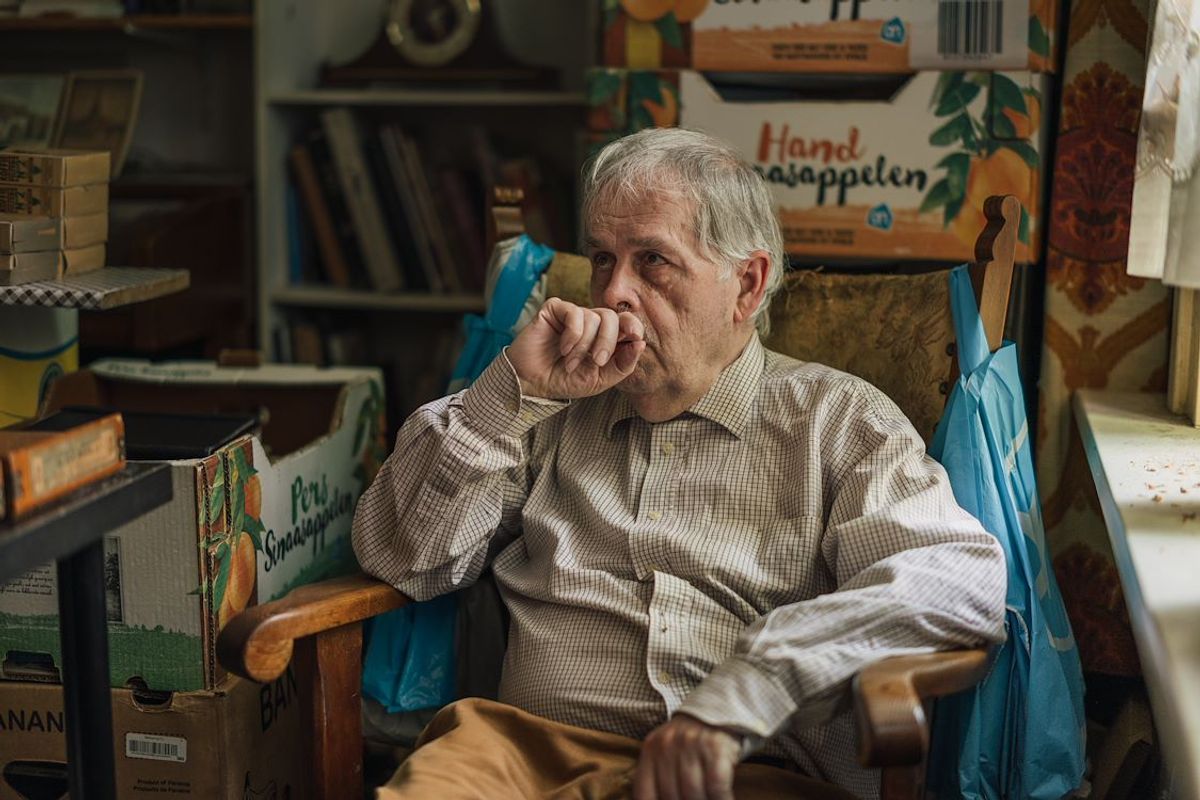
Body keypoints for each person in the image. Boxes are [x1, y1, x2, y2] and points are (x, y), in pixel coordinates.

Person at [353, 127, 1006, 800]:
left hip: (743, 773)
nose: (613, 293)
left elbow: (955, 578)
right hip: (522, 758)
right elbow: (400, 557)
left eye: (653, 261)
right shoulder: (545, 408)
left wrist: (750, 689)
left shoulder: (836, 421)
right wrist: (507, 392)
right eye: (602, 259)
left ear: (746, 285)